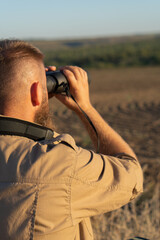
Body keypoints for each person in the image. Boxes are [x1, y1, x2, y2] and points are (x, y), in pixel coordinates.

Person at [0, 39, 143, 240]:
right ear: (35, 92)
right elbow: (132, 174)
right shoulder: (59, 164)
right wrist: (84, 107)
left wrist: (34, 107)